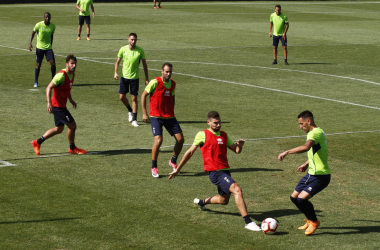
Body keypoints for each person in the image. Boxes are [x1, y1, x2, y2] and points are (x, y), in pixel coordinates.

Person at [169, 111, 261, 232]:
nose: (218, 125)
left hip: (226, 171)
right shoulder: (202, 134)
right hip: (215, 172)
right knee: (237, 189)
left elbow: (236, 151)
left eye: (219, 122)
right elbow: (190, 152)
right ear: (208, 122)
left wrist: (240, 145)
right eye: (215, 123)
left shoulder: (224, 135)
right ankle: (248, 222)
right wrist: (178, 169)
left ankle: (202, 202)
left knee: (224, 200)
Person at [278, 111, 330, 236]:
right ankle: (309, 219)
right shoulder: (318, 132)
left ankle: (314, 221)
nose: (300, 127)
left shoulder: (314, 133)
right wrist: (307, 163)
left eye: (301, 124)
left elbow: (306, 147)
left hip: (321, 176)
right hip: (311, 173)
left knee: (302, 199)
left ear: (309, 121)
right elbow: (318, 151)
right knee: (294, 197)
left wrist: (287, 152)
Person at [31, 54, 87, 156]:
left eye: (75, 64)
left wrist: (70, 99)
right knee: (73, 126)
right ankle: (72, 148)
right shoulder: (61, 75)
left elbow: (66, 88)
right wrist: (49, 103)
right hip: (57, 107)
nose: (74, 66)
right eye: (72, 63)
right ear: (67, 64)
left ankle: (37, 142)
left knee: (59, 129)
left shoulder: (72, 75)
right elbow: (48, 88)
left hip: (62, 105)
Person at [141, 63, 184, 178]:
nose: (169, 74)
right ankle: (154, 166)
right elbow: (143, 95)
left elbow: (172, 98)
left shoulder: (173, 84)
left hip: (169, 117)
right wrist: (145, 113)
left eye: (170, 71)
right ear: (162, 71)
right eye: (166, 72)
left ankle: (173, 161)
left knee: (180, 140)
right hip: (156, 117)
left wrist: (171, 111)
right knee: (158, 141)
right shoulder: (155, 82)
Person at [114, 33, 149, 127]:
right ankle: (130, 110)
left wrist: (146, 78)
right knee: (121, 97)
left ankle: (134, 119)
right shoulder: (123, 49)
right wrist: (115, 72)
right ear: (128, 39)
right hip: (124, 77)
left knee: (134, 98)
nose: (133, 41)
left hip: (134, 78)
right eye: (132, 39)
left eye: (135, 40)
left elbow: (144, 65)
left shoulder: (140, 51)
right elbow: (117, 61)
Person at [29, 12, 56, 88]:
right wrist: (30, 43)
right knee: (38, 65)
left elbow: (51, 35)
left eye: (49, 17)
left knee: (53, 64)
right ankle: (36, 82)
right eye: (46, 17)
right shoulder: (39, 25)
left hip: (48, 48)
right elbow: (33, 33)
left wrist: (51, 44)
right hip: (39, 48)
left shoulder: (53, 26)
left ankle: (53, 81)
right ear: (44, 17)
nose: (48, 18)